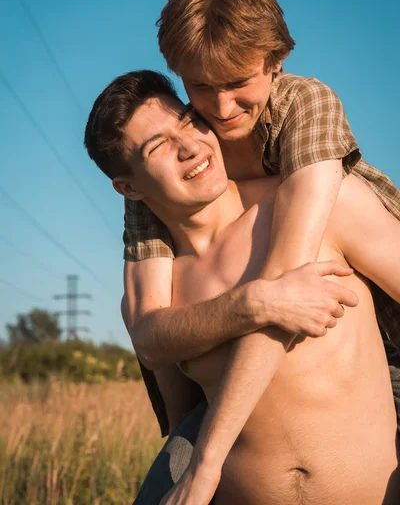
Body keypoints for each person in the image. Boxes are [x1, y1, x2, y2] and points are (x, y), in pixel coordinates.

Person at [84, 72, 400, 504]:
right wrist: (252, 304)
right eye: (158, 147)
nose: (190, 146)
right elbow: (185, 423)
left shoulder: (326, 206)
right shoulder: (163, 298)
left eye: (188, 121)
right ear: (128, 188)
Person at [121, 0, 400, 444]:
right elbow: (147, 328)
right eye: (201, 86)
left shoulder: (305, 104)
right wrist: (186, 443)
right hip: (232, 372)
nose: (222, 108)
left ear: (276, 61)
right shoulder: (176, 155)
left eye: (237, 82)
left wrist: (208, 460)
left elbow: (286, 276)